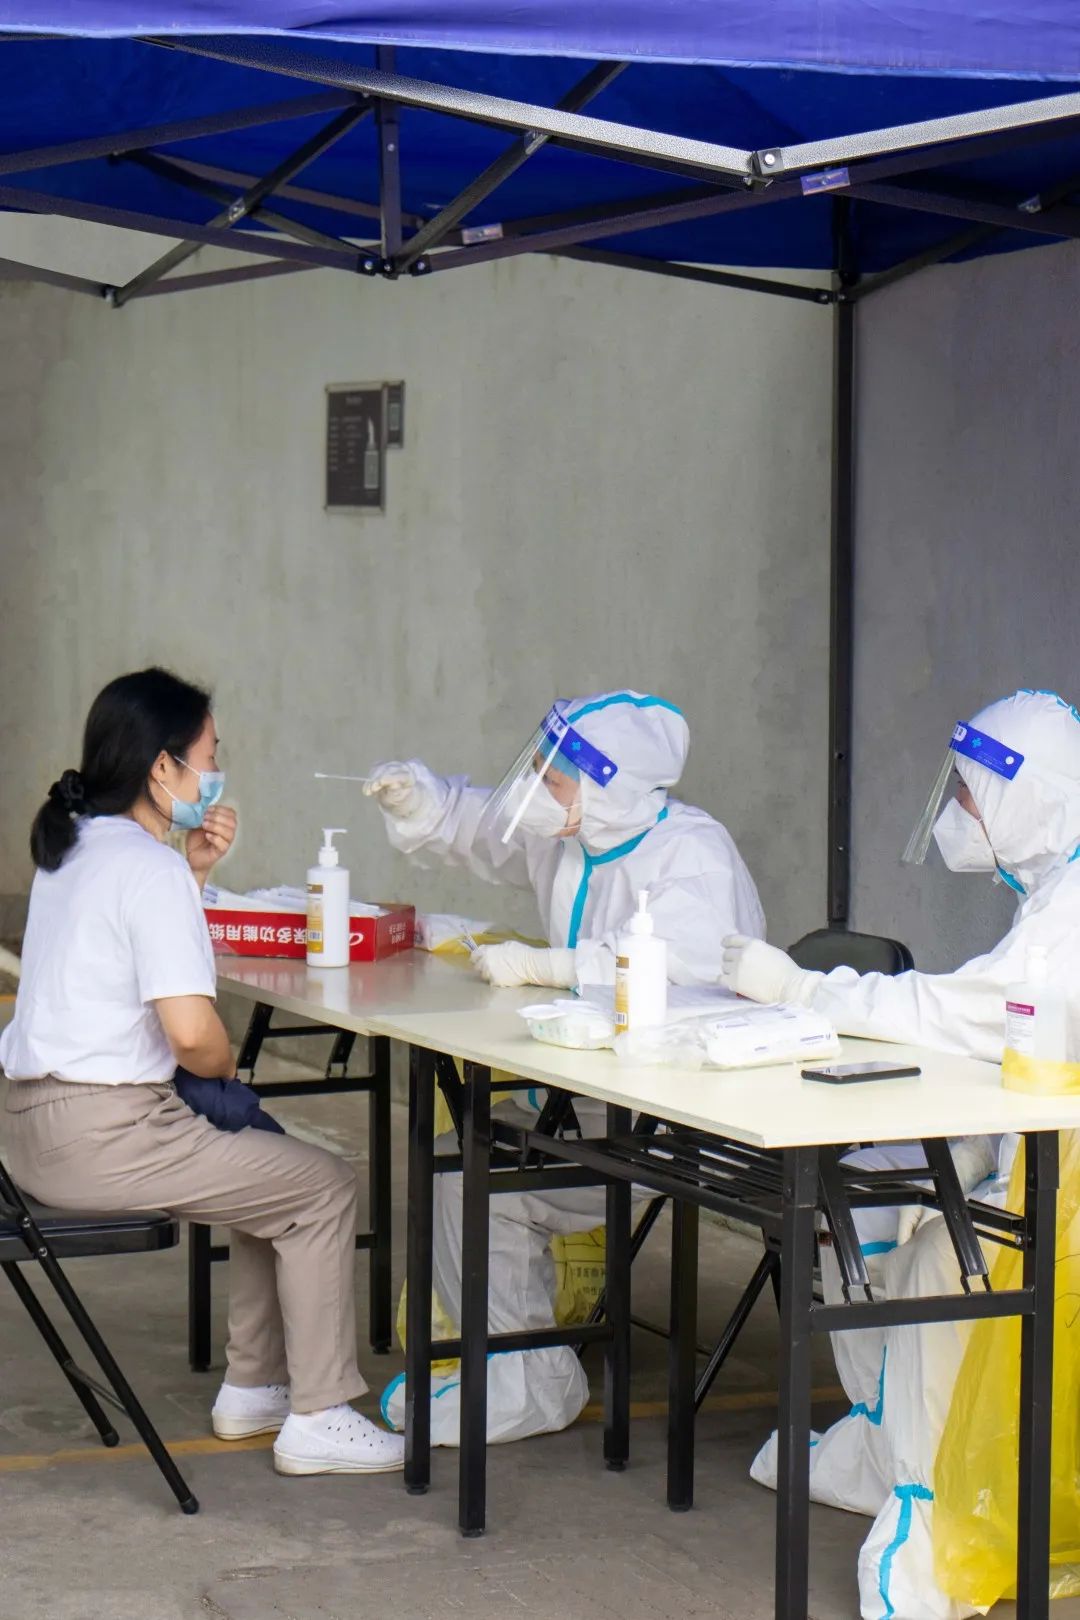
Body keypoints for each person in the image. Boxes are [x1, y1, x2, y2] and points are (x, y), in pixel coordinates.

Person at [723, 688, 1080, 1619]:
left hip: (1069, 1203)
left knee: (935, 1266)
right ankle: (882, 1443)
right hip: (1046, 1158)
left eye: (968, 794)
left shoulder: (1070, 912)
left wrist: (806, 990)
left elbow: (958, 1011)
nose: (955, 811)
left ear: (1026, 801)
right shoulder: (1055, 888)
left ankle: (934, 1523)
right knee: (871, 1192)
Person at [0, 668, 404, 1479]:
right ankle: (320, 1413)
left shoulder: (73, 849)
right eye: (210, 755)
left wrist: (193, 873)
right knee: (323, 1187)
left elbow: (118, 952)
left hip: (27, 1130)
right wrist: (223, 1063)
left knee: (269, 1163)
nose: (216, 772)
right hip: (106, 1133)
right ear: (163, 767)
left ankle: (255, 1387)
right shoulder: (144, 869)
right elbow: (192, 1037)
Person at [364, 690, 765, 1444]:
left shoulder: (692, 854)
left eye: (552, 778)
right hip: (592, 1101)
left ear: (610, 786)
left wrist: (547, 966)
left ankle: (523, 1380)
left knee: (477, 1175)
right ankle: (514, 1370)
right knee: (462, 1162)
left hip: (674, 1122)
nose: (536, 791)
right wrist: (424, 801)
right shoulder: (578, 835)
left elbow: (681, 965)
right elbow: (490, 829)